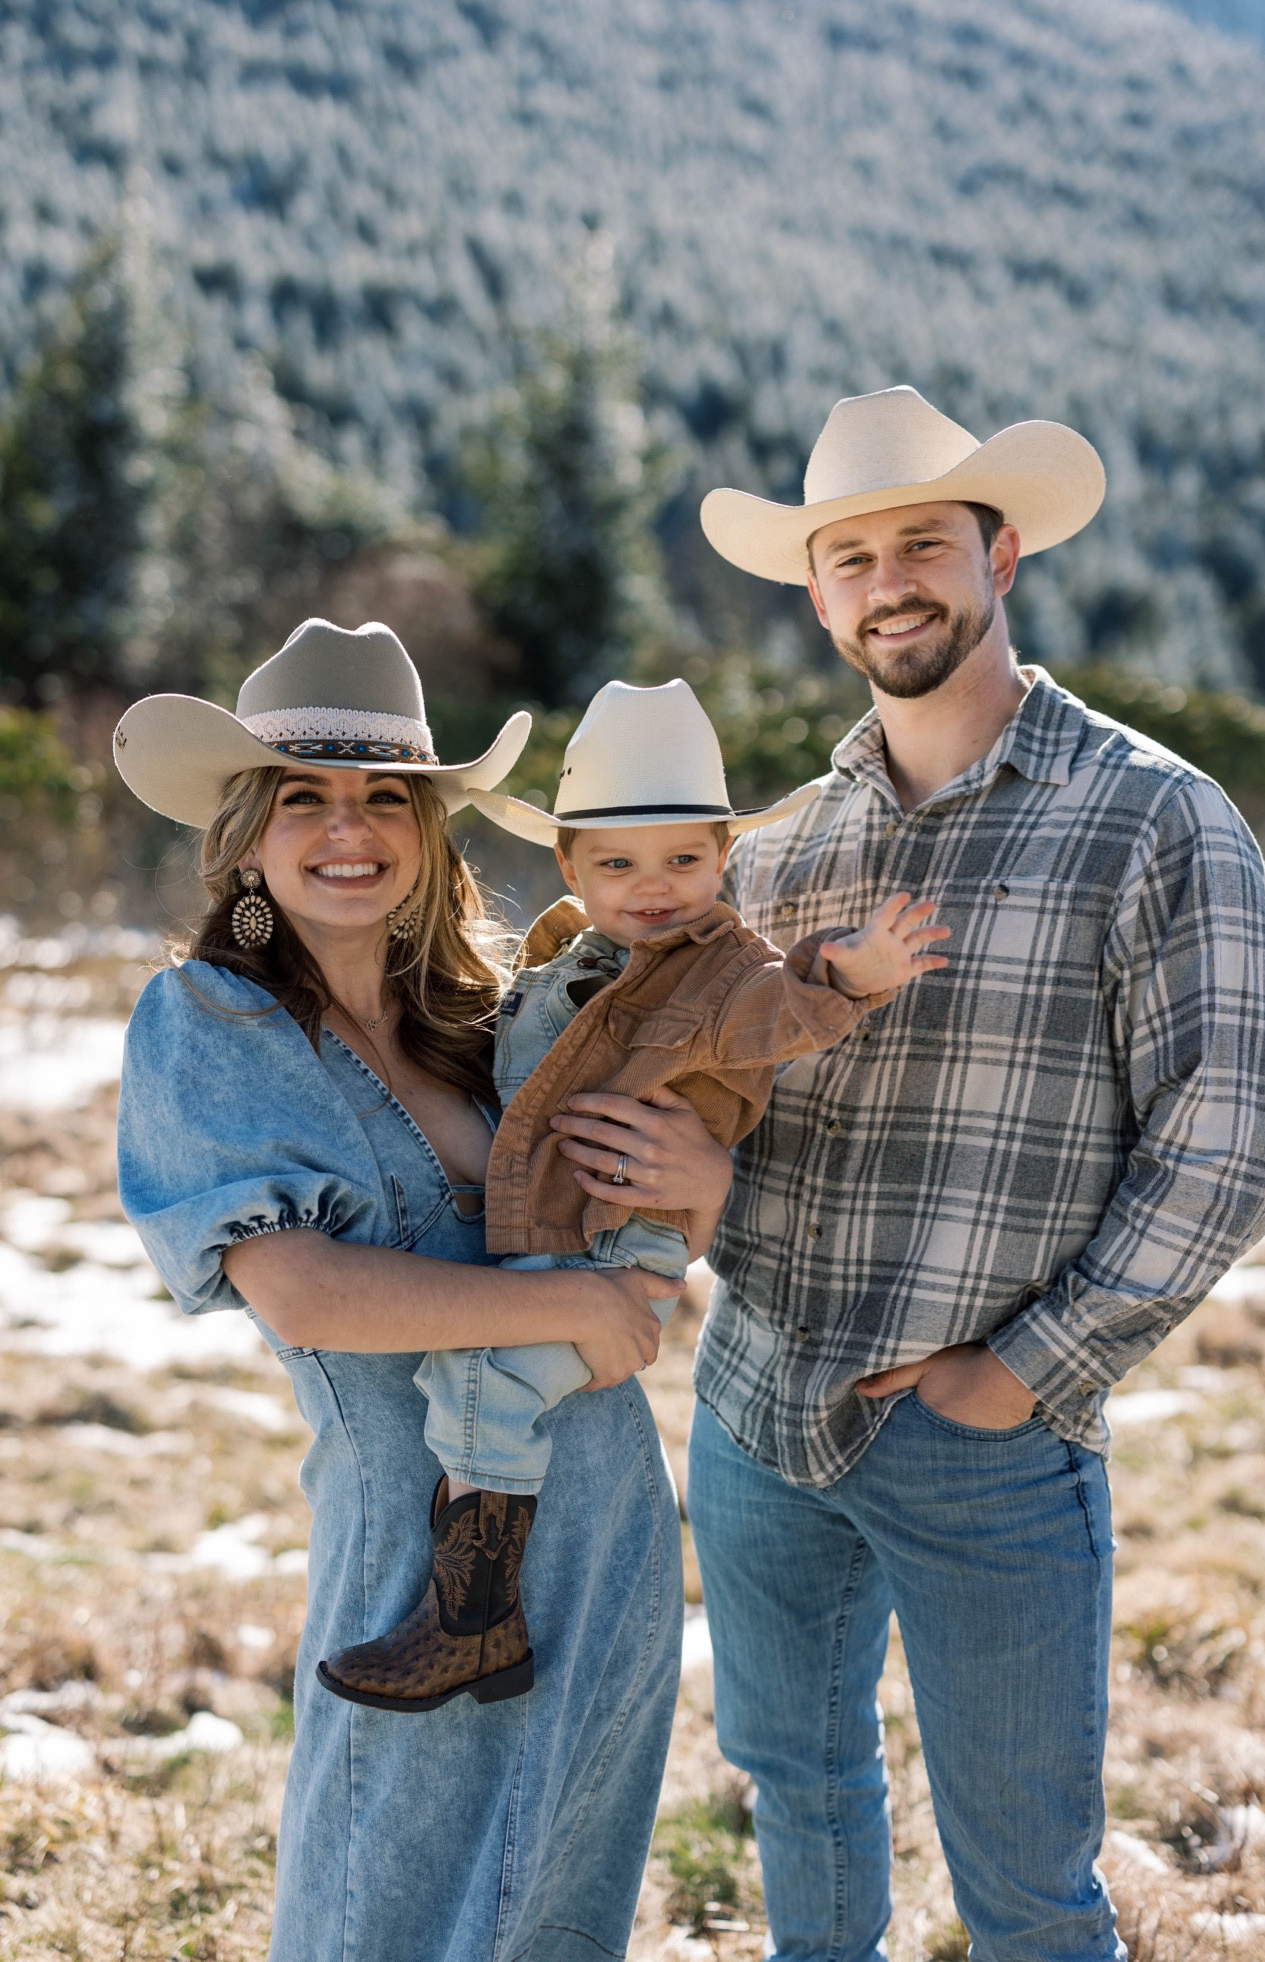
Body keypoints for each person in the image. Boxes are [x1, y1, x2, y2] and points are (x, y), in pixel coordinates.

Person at [689, 386, 1265, 1961]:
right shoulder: (779, 852)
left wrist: (1023, 1371)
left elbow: (1222, 1151)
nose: (888, 582)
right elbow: (721, 1104)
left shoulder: (1154, 817)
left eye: (921, 546)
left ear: (999, 551)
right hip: (754, 1413)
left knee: (1026, 1889)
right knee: (797, 1797)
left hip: (984, 1442)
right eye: (849, 558)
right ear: (816, 595)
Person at [114, 617, 736, 1962]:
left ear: (428, 830)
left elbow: (641, 1246)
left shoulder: (496, 1016)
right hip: (415, 1552)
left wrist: (703, 1183)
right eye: (305, 799)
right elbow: (304, 1293)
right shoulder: (210, 1022)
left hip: (608, 1518)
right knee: (384, 1911)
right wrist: (561, 1306)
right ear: (246, 837)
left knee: (557, 1912)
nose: (351, 829)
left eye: (384, 796)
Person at [319, 676, 951, 1709]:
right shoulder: (563, 957)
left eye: (684, 859)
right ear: (567, 863)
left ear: (723, 856)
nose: (651, 885)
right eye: (616, 861)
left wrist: (849, 976)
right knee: (464, 1375)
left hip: (612, 1238)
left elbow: (776, 1009)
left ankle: (472, 1621)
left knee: (487, 1383)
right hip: (547, 1229)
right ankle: (483, 1615)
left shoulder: (716, 970)